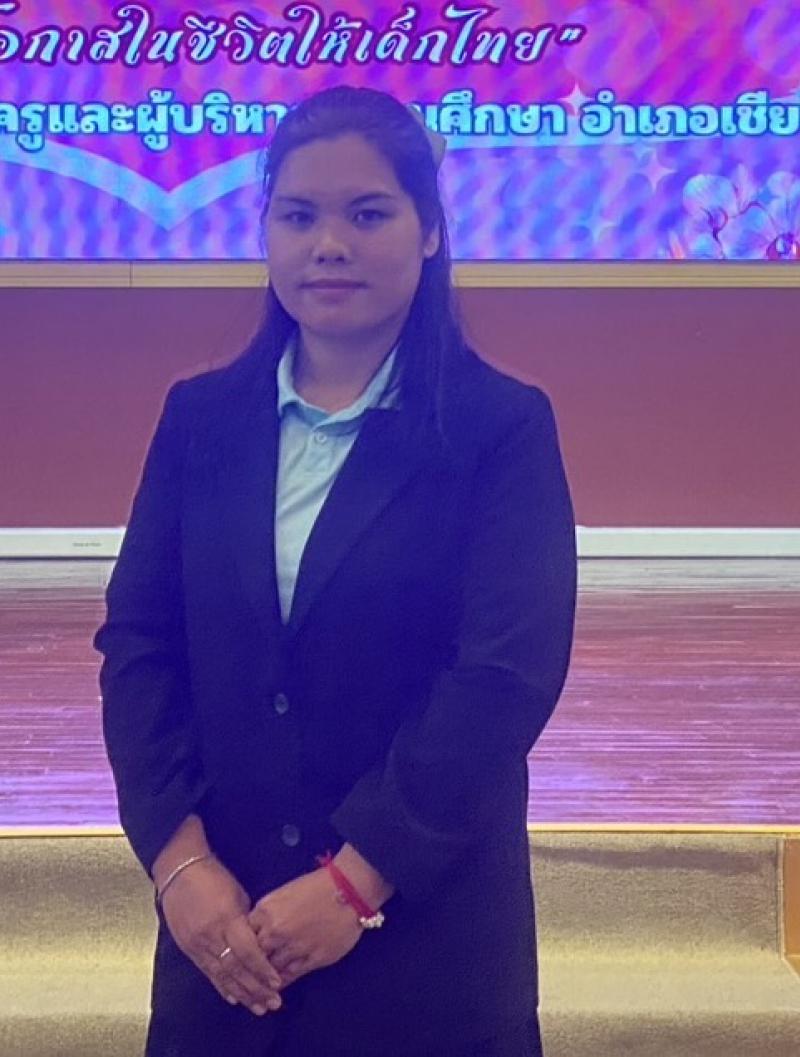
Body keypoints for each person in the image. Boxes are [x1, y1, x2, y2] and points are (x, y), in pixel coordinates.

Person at [93, 84, 577, 1057]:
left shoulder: (499, 429)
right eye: (298, 215)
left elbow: (500, 681)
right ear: (266, 232)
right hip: (225, 941)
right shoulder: (200, 421)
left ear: (429, 230)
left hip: (423, 948)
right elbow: (139, 647)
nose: (328, 245)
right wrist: (180, 867)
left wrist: (354, 883)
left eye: (367, 214)